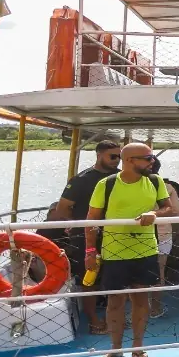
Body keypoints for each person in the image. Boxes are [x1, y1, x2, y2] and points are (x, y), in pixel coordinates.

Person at [85, 142, 179, 357]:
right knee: (115, 302)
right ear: (129, 161)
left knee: (140, 299)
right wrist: (90, 250)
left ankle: (138, 347)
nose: (152, 162)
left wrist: (154, 213)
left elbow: (169, 207)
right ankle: (115, 349)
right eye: (147, 158)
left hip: (146, 249)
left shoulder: (155, 181)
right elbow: (91, 219)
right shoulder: (106, 184)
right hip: (114, 251)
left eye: (152, 157)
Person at [49, 139, 120, 335]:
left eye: (119, 157)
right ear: (99, 155)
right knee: (90, 279)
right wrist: (77, 225)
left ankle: (112, 317)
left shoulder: (121, 178)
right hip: (86, 235)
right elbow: (62, 208)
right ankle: (93, 320)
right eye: (112, 156)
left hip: (115, 234)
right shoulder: (81, 179)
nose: (116, 160)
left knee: (115, 277)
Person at [146, 156, 179, 318]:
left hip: (132, 235)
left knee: (134, 273)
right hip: (162, 235)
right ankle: (155, 308)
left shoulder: (128, 186)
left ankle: (139, 308)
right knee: (158, 271)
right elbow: (177, 211)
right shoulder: (166, 187)